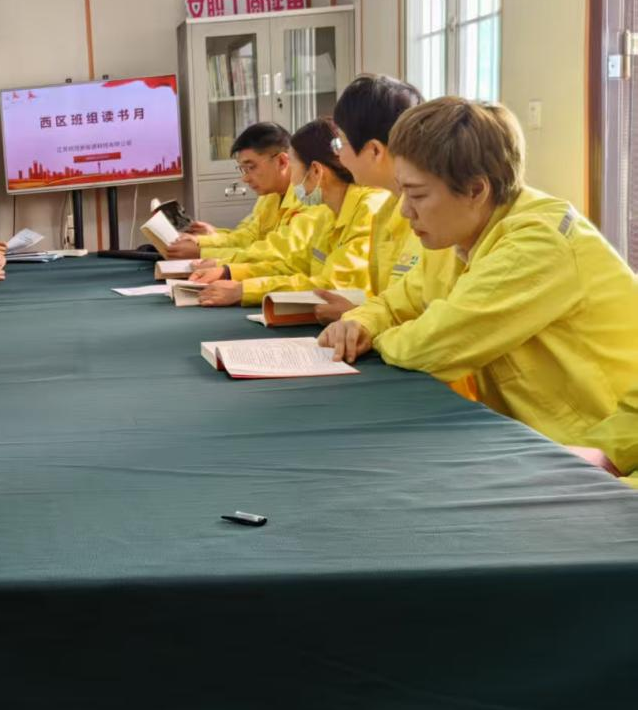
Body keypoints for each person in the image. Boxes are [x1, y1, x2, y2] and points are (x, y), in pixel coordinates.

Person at [319, 98, 638, 446]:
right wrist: (360, 323)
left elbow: (430, 347)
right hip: (531, 440)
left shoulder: (537, 242)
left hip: (602, 451)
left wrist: (375, 339)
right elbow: (395, 303)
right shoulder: (456, 239)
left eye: (418, 195)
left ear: (475, 190)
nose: (406, 211)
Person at [190, 118, 387, 307]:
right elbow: (294, 265)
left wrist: (244, 290)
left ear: (316, 171)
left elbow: (332, 285)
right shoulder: (328, 212)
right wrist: (230, 272)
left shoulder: (367, 211)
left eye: (293, 166)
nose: (291, 179)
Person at [309, 73, 454, 324]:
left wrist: (361, 318)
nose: (339, 156)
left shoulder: (439, 218)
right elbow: (398, 302)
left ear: (374, 150)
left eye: (340, 143)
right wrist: (363, 314)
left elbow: (436, 321)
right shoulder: (387, 210)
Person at [166, 123, 299, 261]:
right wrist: (202, 240)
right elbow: (248, 236)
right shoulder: (269, 195)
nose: (245, 178)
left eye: (251, 167)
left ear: (281, 162)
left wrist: (202, 253)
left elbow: (273, 255)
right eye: (243, 169)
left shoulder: (304, 201)